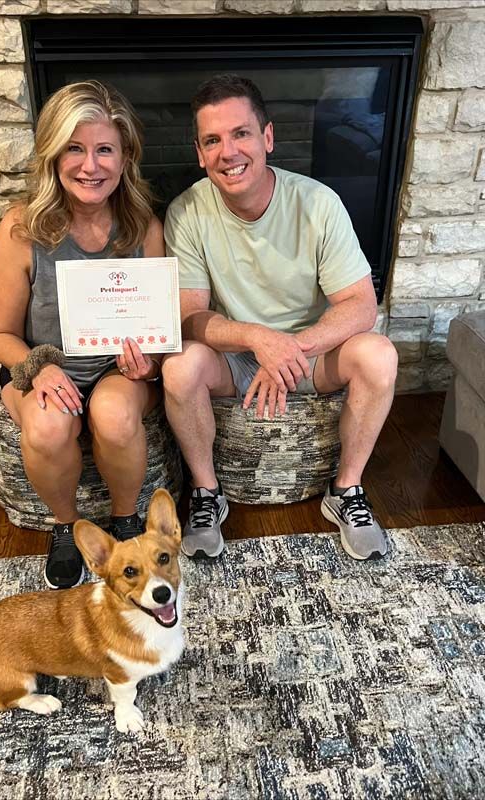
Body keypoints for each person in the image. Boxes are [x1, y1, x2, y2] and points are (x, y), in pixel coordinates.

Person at [162, 74, 397, 562]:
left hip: (313, 354)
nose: (229, 152)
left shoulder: (318, 203)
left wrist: (294, 348)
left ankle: (346, 490)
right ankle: (207, 494)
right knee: (179, 365)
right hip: (237, 360)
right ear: (201, 153)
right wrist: (256, 339)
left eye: (241, 133)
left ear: (267, 138)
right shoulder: (186, 213)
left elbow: (360, 304)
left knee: (379, 354)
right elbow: (189, 318)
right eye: (213, 140)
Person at [0, 81, 164, 590]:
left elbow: (156, 326)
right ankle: (66, 528)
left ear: (125, 156)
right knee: (46, 426)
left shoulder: (143, 226)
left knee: (112, 413)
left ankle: (127, 523)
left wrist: (148, 362)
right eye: (75, 148)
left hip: (116, 370)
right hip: (40, 363)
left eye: (105, 149)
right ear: (53, 153)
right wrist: (38, 367)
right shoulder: (22, 228)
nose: (91, 166)